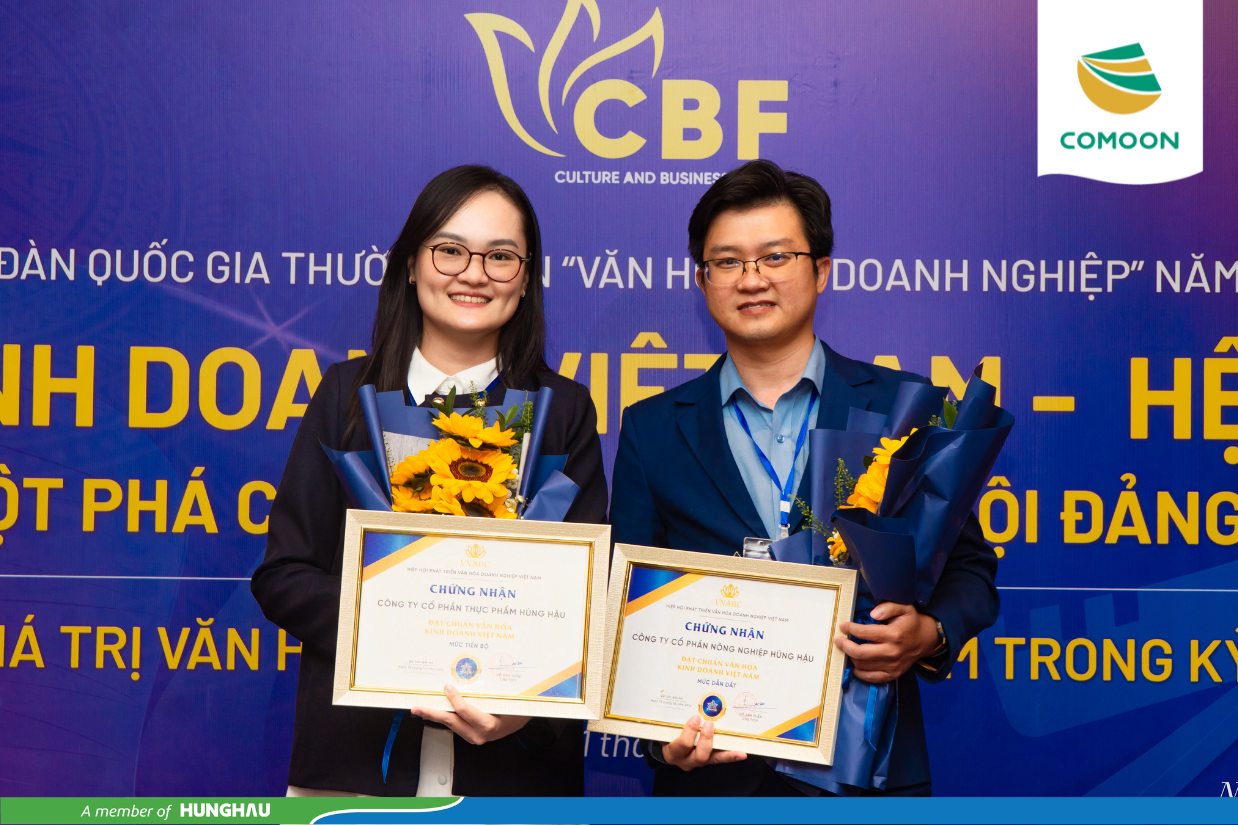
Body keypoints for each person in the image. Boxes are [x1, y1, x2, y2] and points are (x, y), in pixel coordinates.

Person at [609, 159, 999, 796]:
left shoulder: (901, 407)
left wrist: (928, 635)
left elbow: (968, 568)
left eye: (775, 256)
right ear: (702, 281)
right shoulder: (652, 428)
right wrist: (661, 740)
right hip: (715, 776)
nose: (752, 279)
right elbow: (626, 600)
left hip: (866, 767)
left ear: (820, 270)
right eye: (727, 262)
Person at [251, 165, 607, 797]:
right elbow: (285, 575)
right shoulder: (345, 396)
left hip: (511, 769)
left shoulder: (563, 411)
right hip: (355, 763)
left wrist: (525, 707)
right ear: (412, 265)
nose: (473, 273)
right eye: (450, 250)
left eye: (501, 256)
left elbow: (585, 597)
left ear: (526, 279)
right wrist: (399, 630)